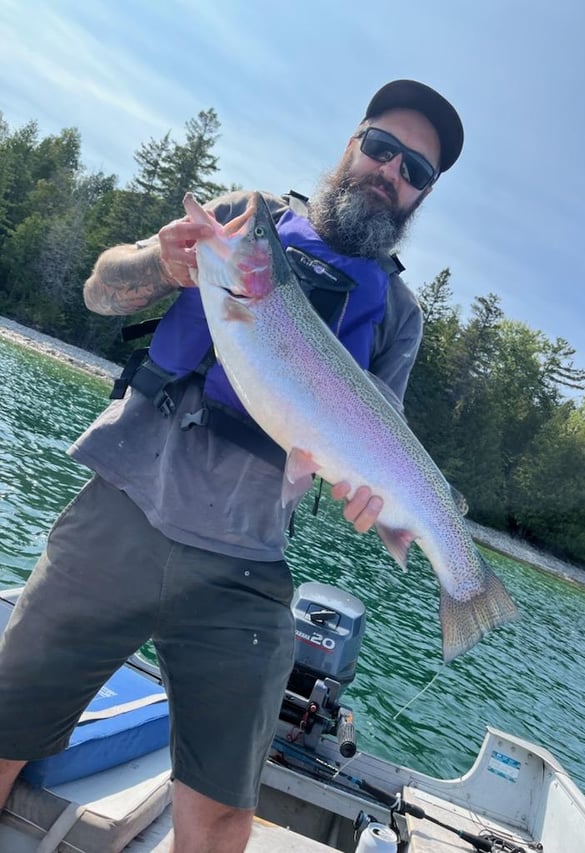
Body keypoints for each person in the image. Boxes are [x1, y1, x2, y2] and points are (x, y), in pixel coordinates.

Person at [0, 80, 463, 852]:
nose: (390, 171)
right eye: (382, 147)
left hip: (245, 570)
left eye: (414, 169)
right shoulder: (245, 221)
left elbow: (377, 438)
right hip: (120, 513)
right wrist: (160, 260)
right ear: (351, 144)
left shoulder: (400, 318)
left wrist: (376, 500)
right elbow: (101, 290)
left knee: (220, 819)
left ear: (422, 195)